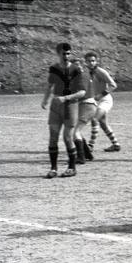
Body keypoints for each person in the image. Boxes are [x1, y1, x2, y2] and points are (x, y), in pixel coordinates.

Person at [40, 42, 86, 178]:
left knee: (67, 137)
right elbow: (50, 85)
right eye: (63, 53)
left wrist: (65, 98)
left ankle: (72, 168)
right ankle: (53, 169)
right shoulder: (53, 69)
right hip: (56, 106)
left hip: (70, 106)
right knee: (53, 137)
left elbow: (82, 92)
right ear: (58, 53)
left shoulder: (76, 70)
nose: (66, 56)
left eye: (68, 54)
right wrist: (45, 100)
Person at [82, 51, 121, 153]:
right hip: (94, 100)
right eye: (89, 61)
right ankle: (116, 144)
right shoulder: (86, 73)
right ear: (85, 62)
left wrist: (101, 95)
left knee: (95, 119)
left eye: (93, 61)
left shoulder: (101, 72)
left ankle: (90, 145)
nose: (91, 63)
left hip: (105, 100)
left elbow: (113, 85)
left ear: (96, 61)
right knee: (103, 124)